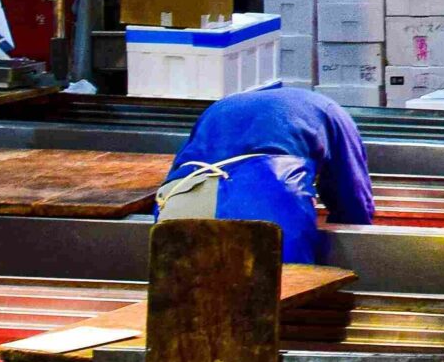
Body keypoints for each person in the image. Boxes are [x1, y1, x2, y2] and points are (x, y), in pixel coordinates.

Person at [160, 85, 375, 264]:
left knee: (185, 303)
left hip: (182, 199)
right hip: (269, 199)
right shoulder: (332, 112)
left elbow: (181, 169)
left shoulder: (222, 106)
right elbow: (352, 197)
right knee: (282, 300)